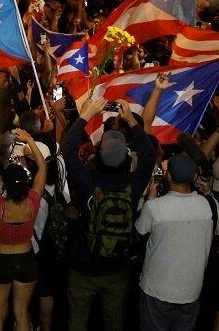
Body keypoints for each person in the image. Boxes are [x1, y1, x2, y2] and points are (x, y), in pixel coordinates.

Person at [63, 97, 155, 331]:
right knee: (114, 320)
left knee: (77, 321)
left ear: (98, 153)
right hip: (118, 267)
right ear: (126, 157)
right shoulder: (133, 185)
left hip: (83, 265)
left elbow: (68, 148)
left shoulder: (87, 180)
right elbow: (149, 156)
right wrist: (130, 121)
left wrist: (85, 115)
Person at [134, 153, 219, 331]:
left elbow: (139, 232)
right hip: (191, 290)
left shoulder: (154, 207)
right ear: (194, 176)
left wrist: (150, 198)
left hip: (156, 289)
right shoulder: (210, 205)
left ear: (168, 176)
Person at [0, 129, 47, 331]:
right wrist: (30, 140)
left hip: (0, 259)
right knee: (22, 314)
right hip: (26, 259)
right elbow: (42, 167)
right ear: (27, 184)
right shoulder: (33, 202)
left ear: (5, 185)